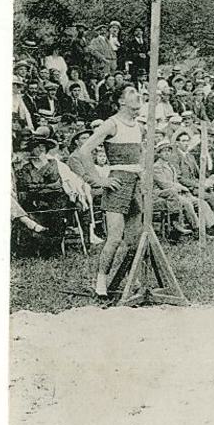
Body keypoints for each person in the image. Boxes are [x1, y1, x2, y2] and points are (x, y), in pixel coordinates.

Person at [77, 84, 144, 299]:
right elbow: (84, 150)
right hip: (117, 183)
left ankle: (134, 281)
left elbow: (139, 156)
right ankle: (101, 284)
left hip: (136, 182)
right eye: (132, 93)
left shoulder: (137, 125)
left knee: (135, 239)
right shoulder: (111, 123)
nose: (138, 96)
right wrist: (98, 179)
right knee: (114, 238)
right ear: (121, 101)